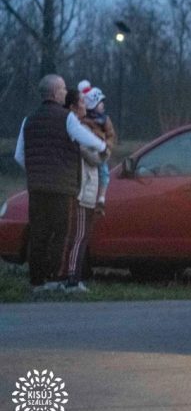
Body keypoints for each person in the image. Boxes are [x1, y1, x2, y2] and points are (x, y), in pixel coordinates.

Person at [14, 75, 107, 292]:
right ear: (56, 93)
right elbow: (83, 137)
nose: (66, 92)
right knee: (59, 233)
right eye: (63, 89)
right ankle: (53, 279)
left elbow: (19, 155)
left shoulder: (28, 120)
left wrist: (35, 173)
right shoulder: (67, 118)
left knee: (38, 233)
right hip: (61, 188)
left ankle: (36, 282)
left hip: (36, 188)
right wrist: (102, 146)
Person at [60, 87, 105, 293]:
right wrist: (101, 150)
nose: (85, 106)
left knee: (80, 235)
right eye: (81, 102)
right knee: (79, 236)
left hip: (86, 187)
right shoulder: (77, 129)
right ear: (72, 107)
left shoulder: (79, 127)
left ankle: (71, 277)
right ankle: (72, 279)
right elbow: (94, 157)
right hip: (83, 189)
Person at [81, 84, 116, 215]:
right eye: (99, 102)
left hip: (102, 150)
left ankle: (101, 198)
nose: (102, 105)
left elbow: (111, 134)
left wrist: (107, 146)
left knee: (104, 174)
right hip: (90, 152)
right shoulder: (84, 120)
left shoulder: (105, 119)